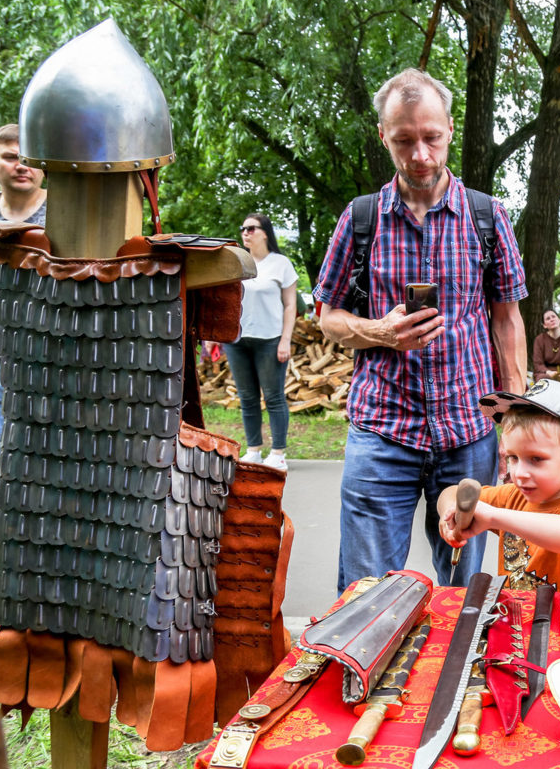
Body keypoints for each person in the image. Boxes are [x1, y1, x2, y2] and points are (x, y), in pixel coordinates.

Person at [315, 67, 528, 592]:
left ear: (450, 129)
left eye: (431, 138)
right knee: (366, 590)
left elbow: (507, 318)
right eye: (405, 140)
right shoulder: (360, 219)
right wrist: (380, 331)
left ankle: (450, 677)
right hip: (381, 432)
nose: (421, 156)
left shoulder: (486, 216)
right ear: (384, 135)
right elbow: (327, 318)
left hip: (467, 434)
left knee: (464, 589)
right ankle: (364, 674)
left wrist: (518, 414)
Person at [438, 379, 560, 593]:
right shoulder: (512, 497)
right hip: (512, 621)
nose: (519, 473)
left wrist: (494, 516)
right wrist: (451, 512)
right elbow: (450, 492)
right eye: (513, 457)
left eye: (536, 459)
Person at [0, 124, 46, 599]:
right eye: (9, 156)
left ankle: (45, 564)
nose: (19, 164)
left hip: (45, 360)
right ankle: (7, 566)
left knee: (47, 462)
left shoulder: (61, 215)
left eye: (27, 157)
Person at [222, 212, 298, 471]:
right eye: (243, 228)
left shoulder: (281, 263)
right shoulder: (235, 262)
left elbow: (290, 306)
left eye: (251, 228)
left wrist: (285, 340)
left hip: (270, 340)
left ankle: (278, 452)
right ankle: (253, 450)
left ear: (265, 232)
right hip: (237, 339)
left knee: (274, 397)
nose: (245, 232)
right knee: (247, 397)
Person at [532, 309, 560, 381]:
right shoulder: (540, 339)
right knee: (542, 379)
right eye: (548, 319)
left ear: (559, 320)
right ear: (544, 325)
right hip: (547, 374)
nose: (552, 319)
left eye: (553, 317)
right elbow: (538, 363)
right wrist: (548, 372)